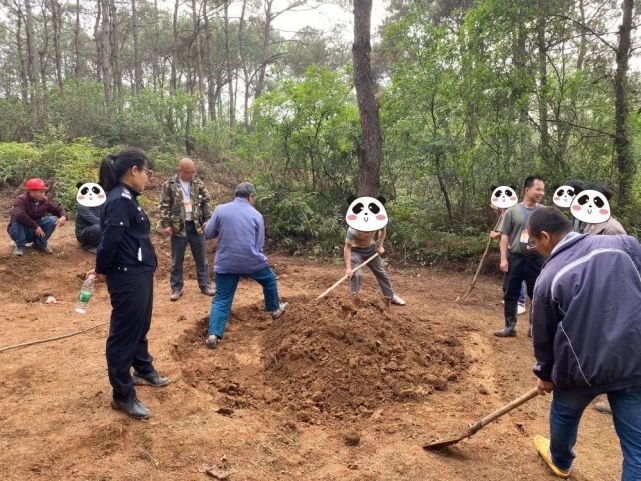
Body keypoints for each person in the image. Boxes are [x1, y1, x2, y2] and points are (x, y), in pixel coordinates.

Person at [528, 207, 641, 481]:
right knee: (637, 450)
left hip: (581, 370)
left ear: (545, 236)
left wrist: (544, 374)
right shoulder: (627, 245)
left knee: (564, 415)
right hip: (632, 360)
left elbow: (543, 335)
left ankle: (561, 461)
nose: (535, 248)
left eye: (534, 242)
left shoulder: (549, 275)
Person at [93, 148, 170, 420]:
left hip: (139, 272)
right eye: (147, 172)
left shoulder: (129, 199)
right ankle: (122, 394)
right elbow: (109, 241)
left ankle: (143, 368)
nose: (149, 178)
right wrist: (101, 269)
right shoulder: (119, 200)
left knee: (140, 324)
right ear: (133, 170)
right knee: (124, 333)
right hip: (127, 275)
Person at [203, 182, 288, 348]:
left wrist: (206, 225)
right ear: (250, 197)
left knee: (221, 298)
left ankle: (213, 334)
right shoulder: (256, 215)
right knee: (269, 279)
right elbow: (259, 244)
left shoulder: (220, 209)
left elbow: (208, 234)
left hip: (225, 262)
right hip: (250, 261)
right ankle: (274, 309)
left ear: (236, 195)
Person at [495, 175, 545, 337]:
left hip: (536, 260)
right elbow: (504, 237)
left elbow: (550, 237)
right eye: (538, 189)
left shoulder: (544, 212)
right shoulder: (512, 211)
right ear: (527, 190)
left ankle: (534, 328)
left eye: (543, 190)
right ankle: (510, 326)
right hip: (515, 258)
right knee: (510, 292)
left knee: (536, 294)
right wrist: (503, 259)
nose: (541, 193)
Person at [159, 157, 214, 300]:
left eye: (193, 171)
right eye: (189, 172)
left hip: (196, 226)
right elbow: (164, 205)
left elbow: (206, 202)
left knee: (201, 258)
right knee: (177, 260)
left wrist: (208, 219)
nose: (191, 175)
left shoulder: (198, 183)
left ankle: (205, 286)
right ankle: (176, 288)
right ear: (180, 170)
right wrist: (165, 224)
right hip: (178, 227)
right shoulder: (169, 184)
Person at [343, 226, 405, 305]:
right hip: (355, 251)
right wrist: (348, 268)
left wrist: (380, 245)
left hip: (370, 249)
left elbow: (383, 230)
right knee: (357, 274)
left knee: (381, 273)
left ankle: (390, 296)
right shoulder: (353, 229)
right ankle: (354, 298)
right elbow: (347, 247)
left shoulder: (375, 223)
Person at [7, 178, 68, 256]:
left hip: (35, 232)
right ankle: (20, 245)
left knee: (52, 220)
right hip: (20, 231)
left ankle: (40, 244)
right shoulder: (21, 199)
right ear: (31, 191)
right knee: (17, 219)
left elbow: (58, 210)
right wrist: (35, 226)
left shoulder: (44, 201)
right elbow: (19, 215)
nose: (43, 194)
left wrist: (64, 216)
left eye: (44, 192)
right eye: (41, 192)